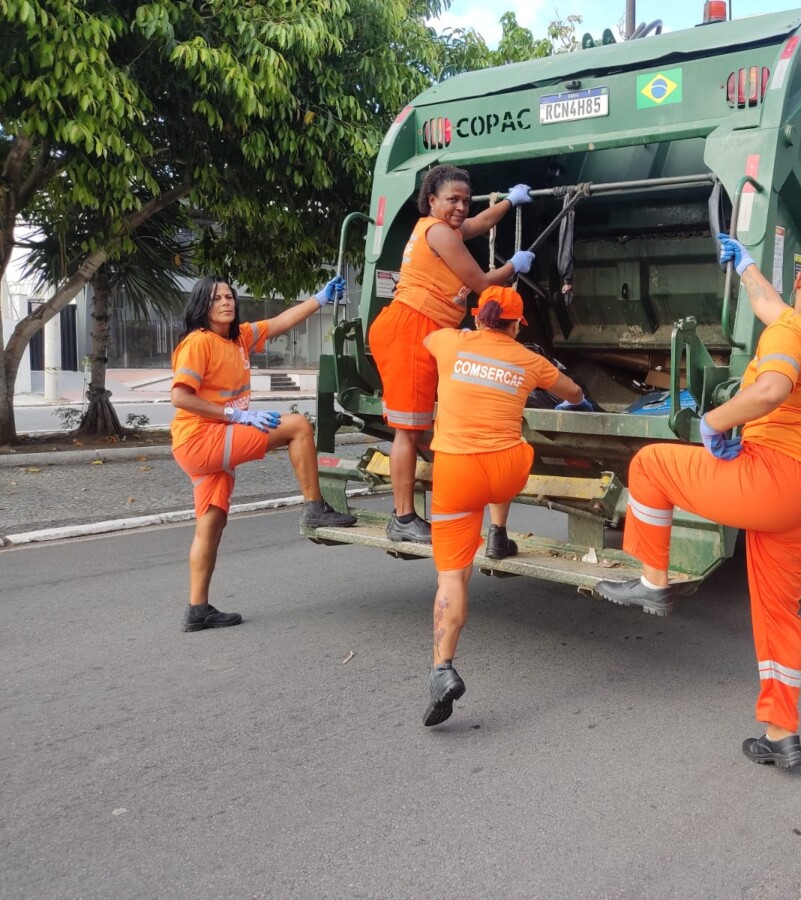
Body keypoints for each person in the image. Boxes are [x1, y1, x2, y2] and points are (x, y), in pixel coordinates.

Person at [594, 237, 801, 769]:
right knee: (778, 613)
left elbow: (770, 389)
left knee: (651, 465)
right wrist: (745, 265)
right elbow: (772, 310)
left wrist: (713, 420)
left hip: (776, 481)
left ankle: (653, 583)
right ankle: (780, 732)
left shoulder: (794, 331)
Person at [420, 285, 588, 726]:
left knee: (452, 574)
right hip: (506, 469)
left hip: (456, 473)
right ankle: (498, 533)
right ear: (515, 326)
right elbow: (572, 392)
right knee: (518, 445)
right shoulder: (528, 359)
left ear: (478, 318)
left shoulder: (448, 342)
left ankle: (442, 667)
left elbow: (427, 339)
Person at [170, 275, 357, 633]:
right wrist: (236, 415)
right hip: (201, 438)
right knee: (298, 426)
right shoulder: (198, 343)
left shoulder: (238, 337)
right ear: (201, 306)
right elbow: (180, 397)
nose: (226, 302)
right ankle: (315, 508)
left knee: (211, 524)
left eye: (229, 296)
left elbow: (281, 322)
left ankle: (197, 610)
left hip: (209, 441)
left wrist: (318, 298)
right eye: (216, 299)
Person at [369, 164, 535, 545]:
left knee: (421, 427)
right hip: (411, 329)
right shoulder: (439, 231)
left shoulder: (442, 228)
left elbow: (478, 223)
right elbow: (480, 283)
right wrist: (515, 265)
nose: (461, 206)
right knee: (408, 431)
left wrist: (509, 201)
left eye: (465, 199)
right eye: (452, 200)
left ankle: (439, 502)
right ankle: (403, 518)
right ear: (431, 200)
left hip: (421, 329)